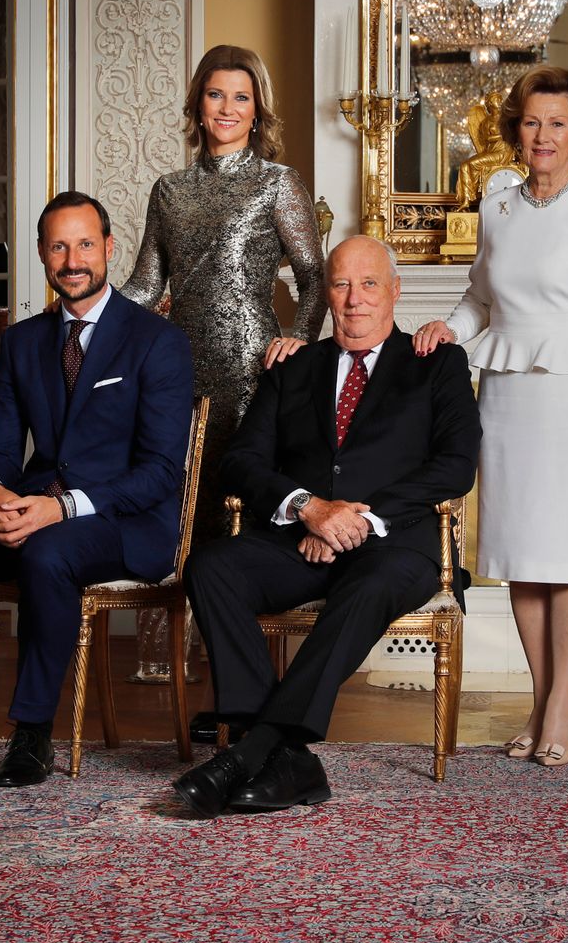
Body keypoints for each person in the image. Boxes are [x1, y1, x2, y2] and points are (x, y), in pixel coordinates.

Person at [0, 191, 194, 792]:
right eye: (58, 246)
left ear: (108, 249)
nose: (72, 260)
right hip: (34, 509)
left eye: (84, 245)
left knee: (51, 550)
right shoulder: (23, 342)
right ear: (44, 256)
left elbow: (160, 473)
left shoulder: (157, 341)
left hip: (125, 524)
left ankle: (32, 733)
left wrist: (62, 507)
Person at [171, 235, 480, 817]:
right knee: (212, 566)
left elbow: (456, 466)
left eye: (368, 284)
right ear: (326, 295)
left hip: (398, 543)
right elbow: (242, 460)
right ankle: (289, 759)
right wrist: (309, 507)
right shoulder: (293, 365)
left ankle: (252, 751)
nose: (354, 299)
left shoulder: (435, 362)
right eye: (341, 284)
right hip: (301, 537)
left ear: (395, 291)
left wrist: (360, 516)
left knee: (370, 584)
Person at [414, 64, 568, 768]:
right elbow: (480, 298)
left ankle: (563, 706)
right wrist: (447, 329)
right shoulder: (497, 204)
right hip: (507, 400)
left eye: (555, 123)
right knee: (522, 563)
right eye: (530, 121)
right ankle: (541, 701)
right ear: (516, 129)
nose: (540, 135)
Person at [120, 43, 327, 541]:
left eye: (241, 98)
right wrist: (81, 312)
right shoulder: (168, 190)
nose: (228, 109)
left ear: (257, 111)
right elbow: (148, 286)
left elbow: (314, 277)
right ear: (198, 103)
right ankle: (175, 610)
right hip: (178, 362)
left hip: (251, 364)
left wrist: (300, 337)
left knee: (241, 494)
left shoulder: (278, 184)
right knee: (180, 490)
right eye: (216, 95)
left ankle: (234, 605)